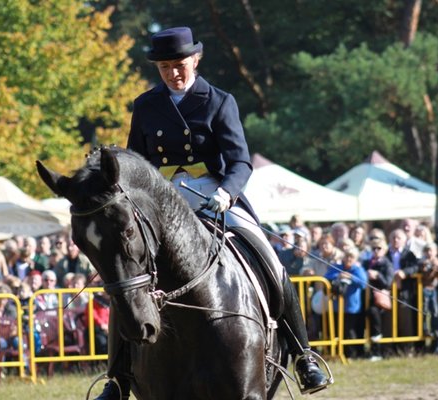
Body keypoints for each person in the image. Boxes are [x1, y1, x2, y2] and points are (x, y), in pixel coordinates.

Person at [95, 27, 330, 399]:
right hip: (161, 202)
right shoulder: (145, 106)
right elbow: (137, 164)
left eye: (180, 65)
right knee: (127, 281)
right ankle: (118, 377)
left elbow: (240, 161)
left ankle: (303, 356)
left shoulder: (219, 101)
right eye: (166, 66)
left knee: (271, 261)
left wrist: (226, 193)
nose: (174, 72)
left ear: (196, 61)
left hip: (214, 195)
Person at [324, 246, 368, 358]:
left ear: (355, 259)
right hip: (336, 306)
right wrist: (338, 275)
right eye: (347, 256)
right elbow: (326, 277)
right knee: (336, 330)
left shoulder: (357, 269)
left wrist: (351, 277)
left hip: (351, 306)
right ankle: (335, 353)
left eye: (351, 257)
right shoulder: (337, 267)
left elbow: (363, 283)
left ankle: (351, 354)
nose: (349, 259)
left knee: (350, 331)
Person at [362, 237, 393, 360]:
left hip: (380, 302)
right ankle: (366, 350)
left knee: (378, 326)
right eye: (373, 248)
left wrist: (378, 275)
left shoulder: (387, 264)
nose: (376, 251)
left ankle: (377, 352)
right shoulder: (366, 263)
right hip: (367, 299)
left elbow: (388, 283)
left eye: (379, 248)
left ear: (384, 250)